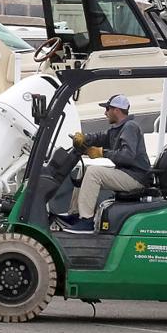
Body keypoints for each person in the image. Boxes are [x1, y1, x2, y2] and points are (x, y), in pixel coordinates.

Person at [62, 94, 151, 232]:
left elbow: (127, 156)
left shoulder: (130, 127)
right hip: (127, 174)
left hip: (135, 177)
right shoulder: (118, 129)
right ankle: (75, 214)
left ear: (116, 110)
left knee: (93, 173)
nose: (105, 113)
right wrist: (84, 138)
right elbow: (101, 137)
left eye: (107, 109)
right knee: (85, 169)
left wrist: (101, 153)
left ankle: (87, 220)